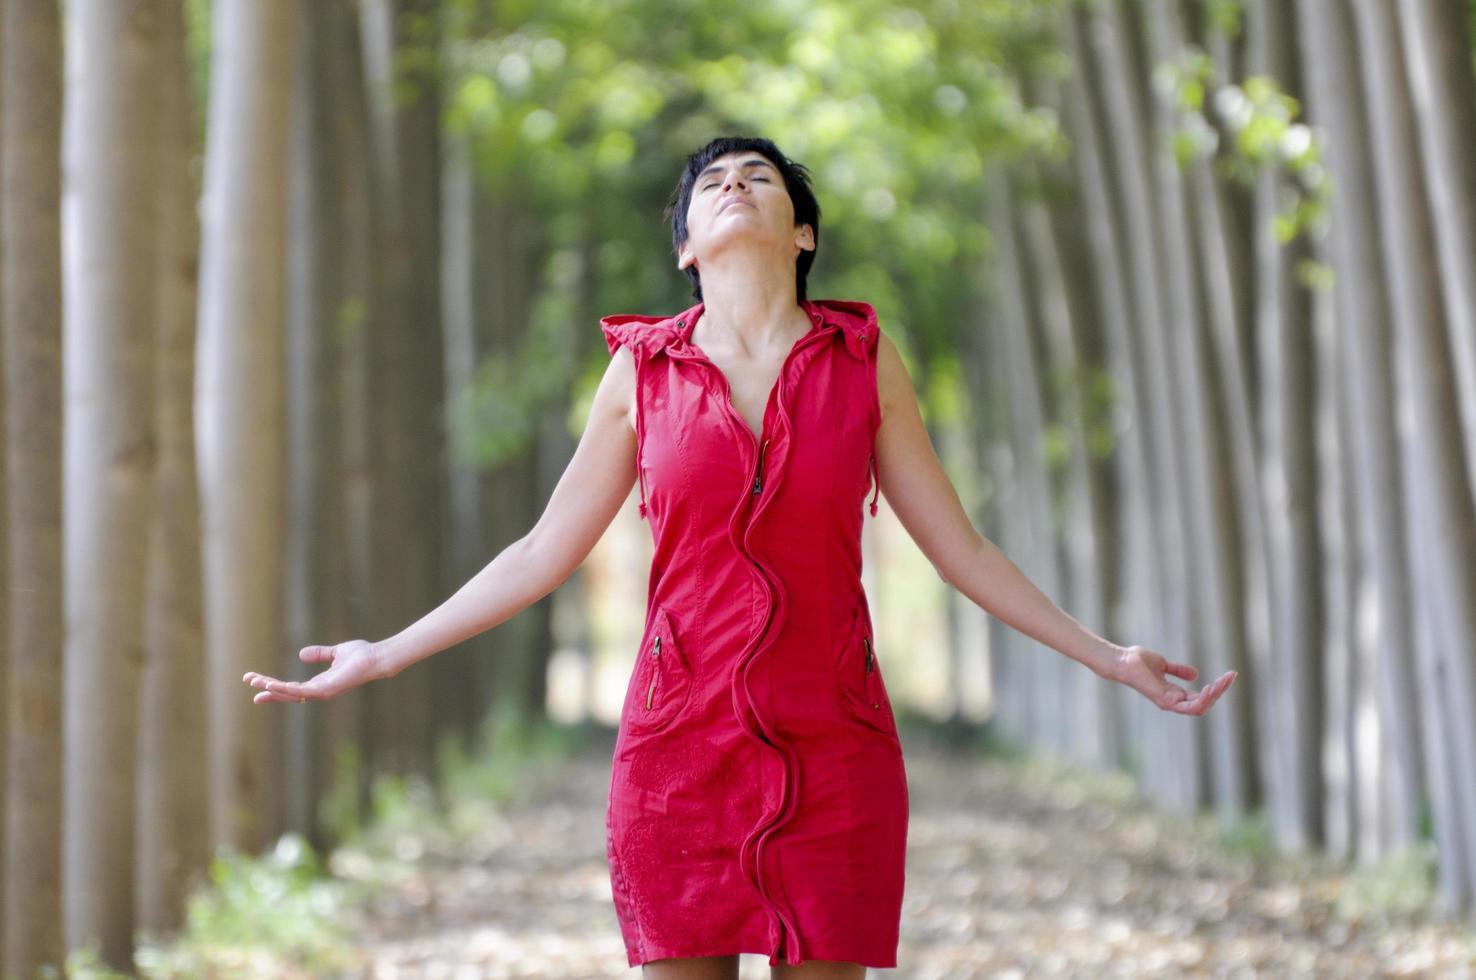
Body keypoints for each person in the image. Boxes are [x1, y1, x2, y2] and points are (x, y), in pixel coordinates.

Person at [244, 135, 1237, 979]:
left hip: (835, 740)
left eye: (760, 176)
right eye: (712, 182)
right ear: (685, 245)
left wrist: (1108, 655)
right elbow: (543, 549)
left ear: (802, 231)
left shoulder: (863, 360)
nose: (735, 184)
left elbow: (961, 548)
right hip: (678, 750)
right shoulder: (639, 372)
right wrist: (387, 650)